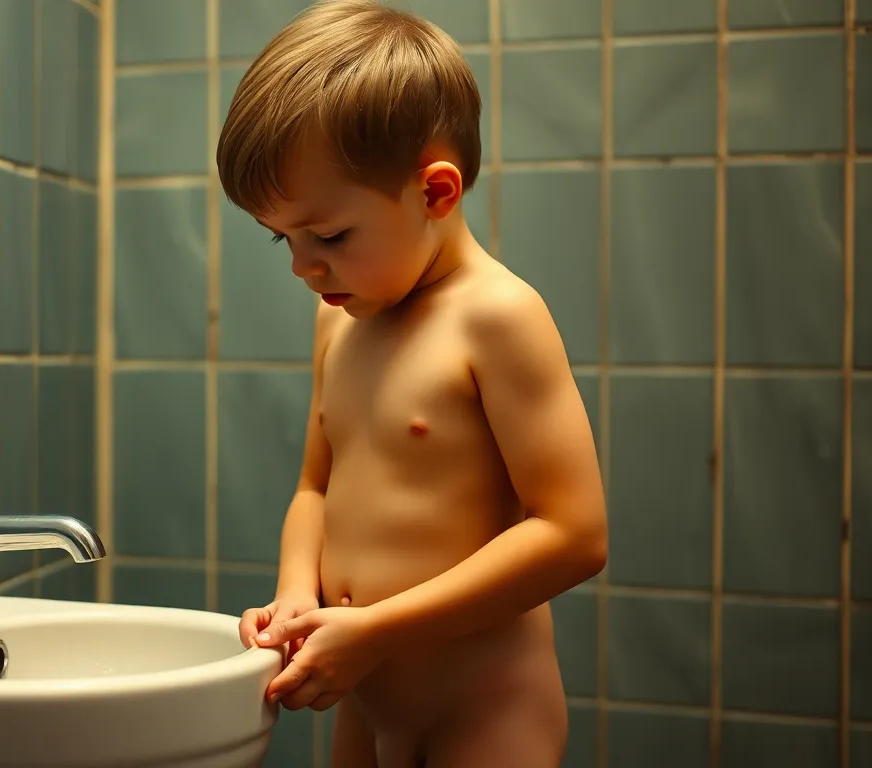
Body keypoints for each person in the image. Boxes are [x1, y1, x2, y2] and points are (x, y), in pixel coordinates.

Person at [217, 1, 609, 766]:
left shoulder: (498, 317)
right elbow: (314, 489)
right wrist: (299, 588)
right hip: (368, 705)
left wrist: (376, 629)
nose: (303, 267)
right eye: (283, 239)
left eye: (328, 236)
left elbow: (574, 534)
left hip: (486, 709)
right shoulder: (341, 320)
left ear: (435, 192)